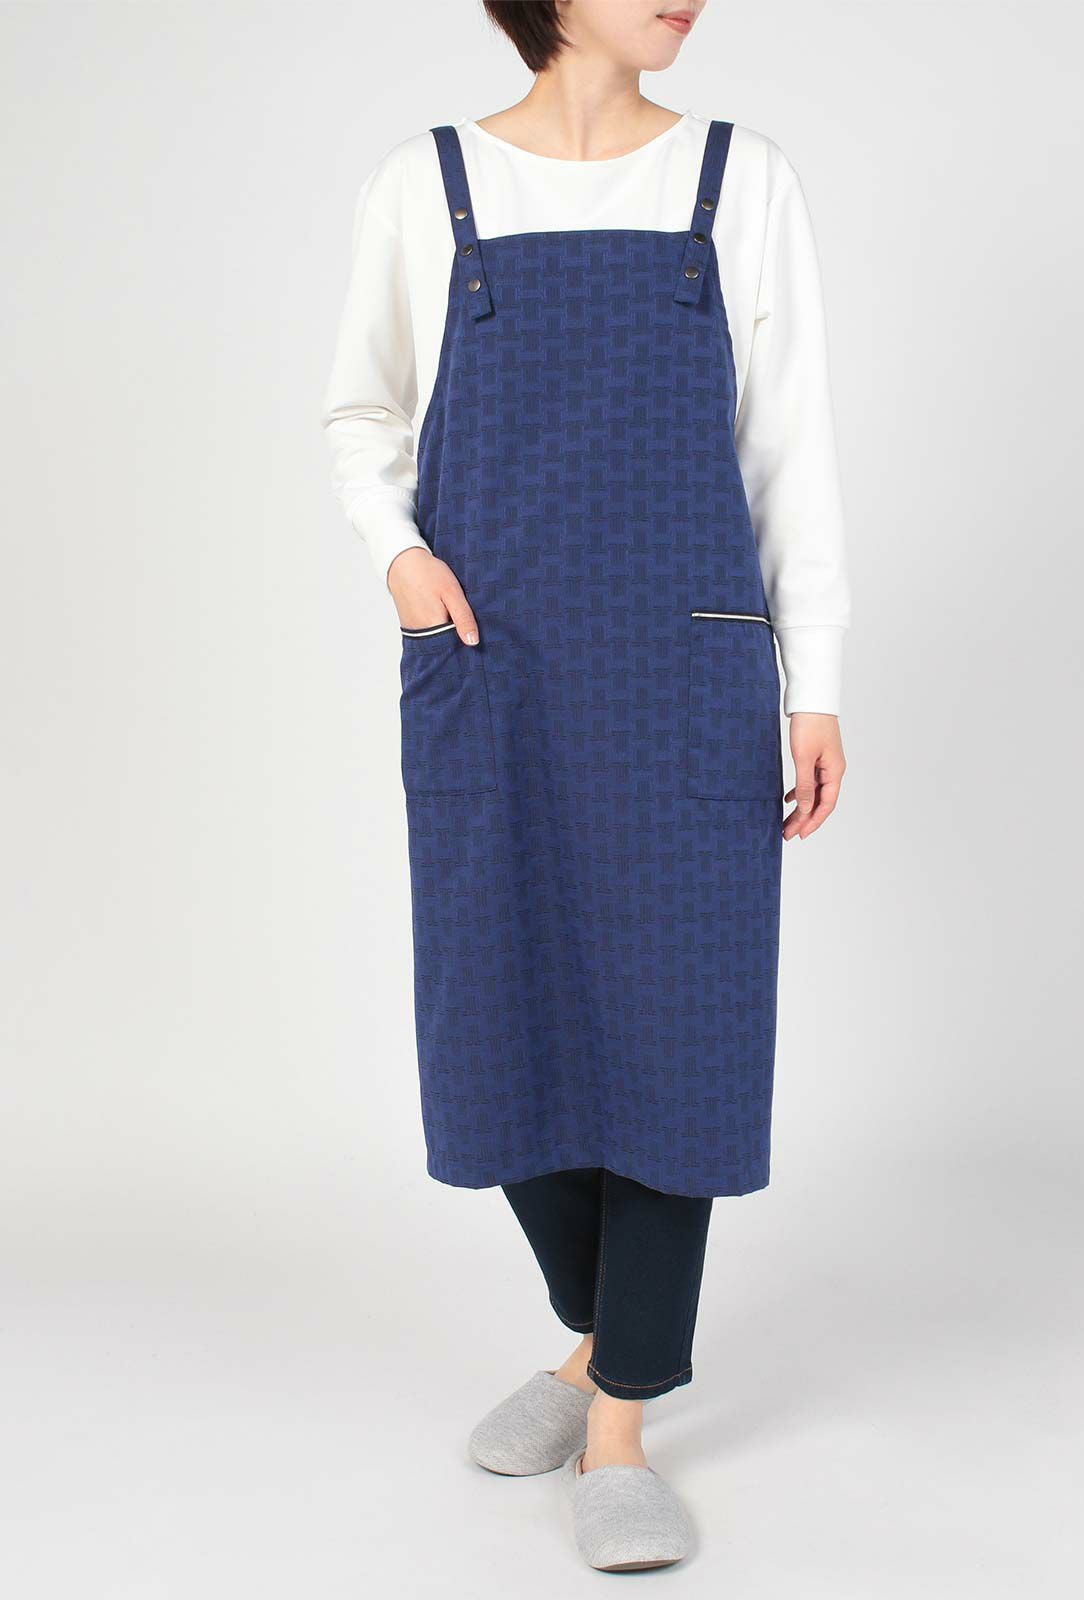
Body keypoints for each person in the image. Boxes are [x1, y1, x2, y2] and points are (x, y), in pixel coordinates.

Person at [321, 0, 849, 1572]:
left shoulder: (742, 180)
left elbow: (791, 444)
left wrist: (815, 679)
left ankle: (616, 1424)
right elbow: (361, 411)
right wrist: (399, 556)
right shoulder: (426, 186)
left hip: (686, 666)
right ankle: (596, 1339)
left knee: (682, 1032)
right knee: (503, 1011)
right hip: (499, 664)